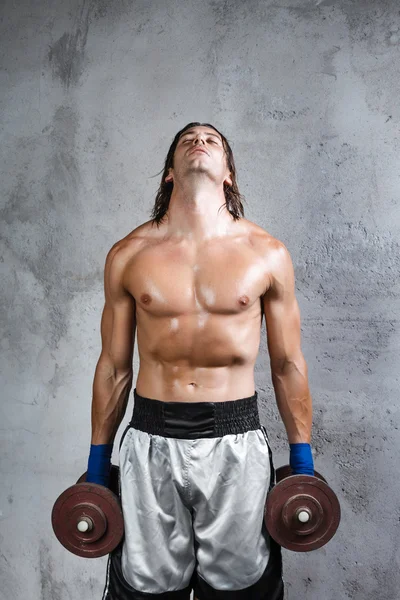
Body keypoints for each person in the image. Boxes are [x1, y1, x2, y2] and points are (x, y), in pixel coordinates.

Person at [86, 122, 314, 600]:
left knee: (242, 591)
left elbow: (288, 364)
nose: (200, 141)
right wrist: (96, 462)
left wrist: (303, 460)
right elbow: (113, 367)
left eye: (213, 139)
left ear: (228, 174)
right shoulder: (129, 255)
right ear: (170, 172)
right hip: (150, 440)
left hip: (235, 440)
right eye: (188, 138)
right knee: (146, 592)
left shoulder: (266, 254)